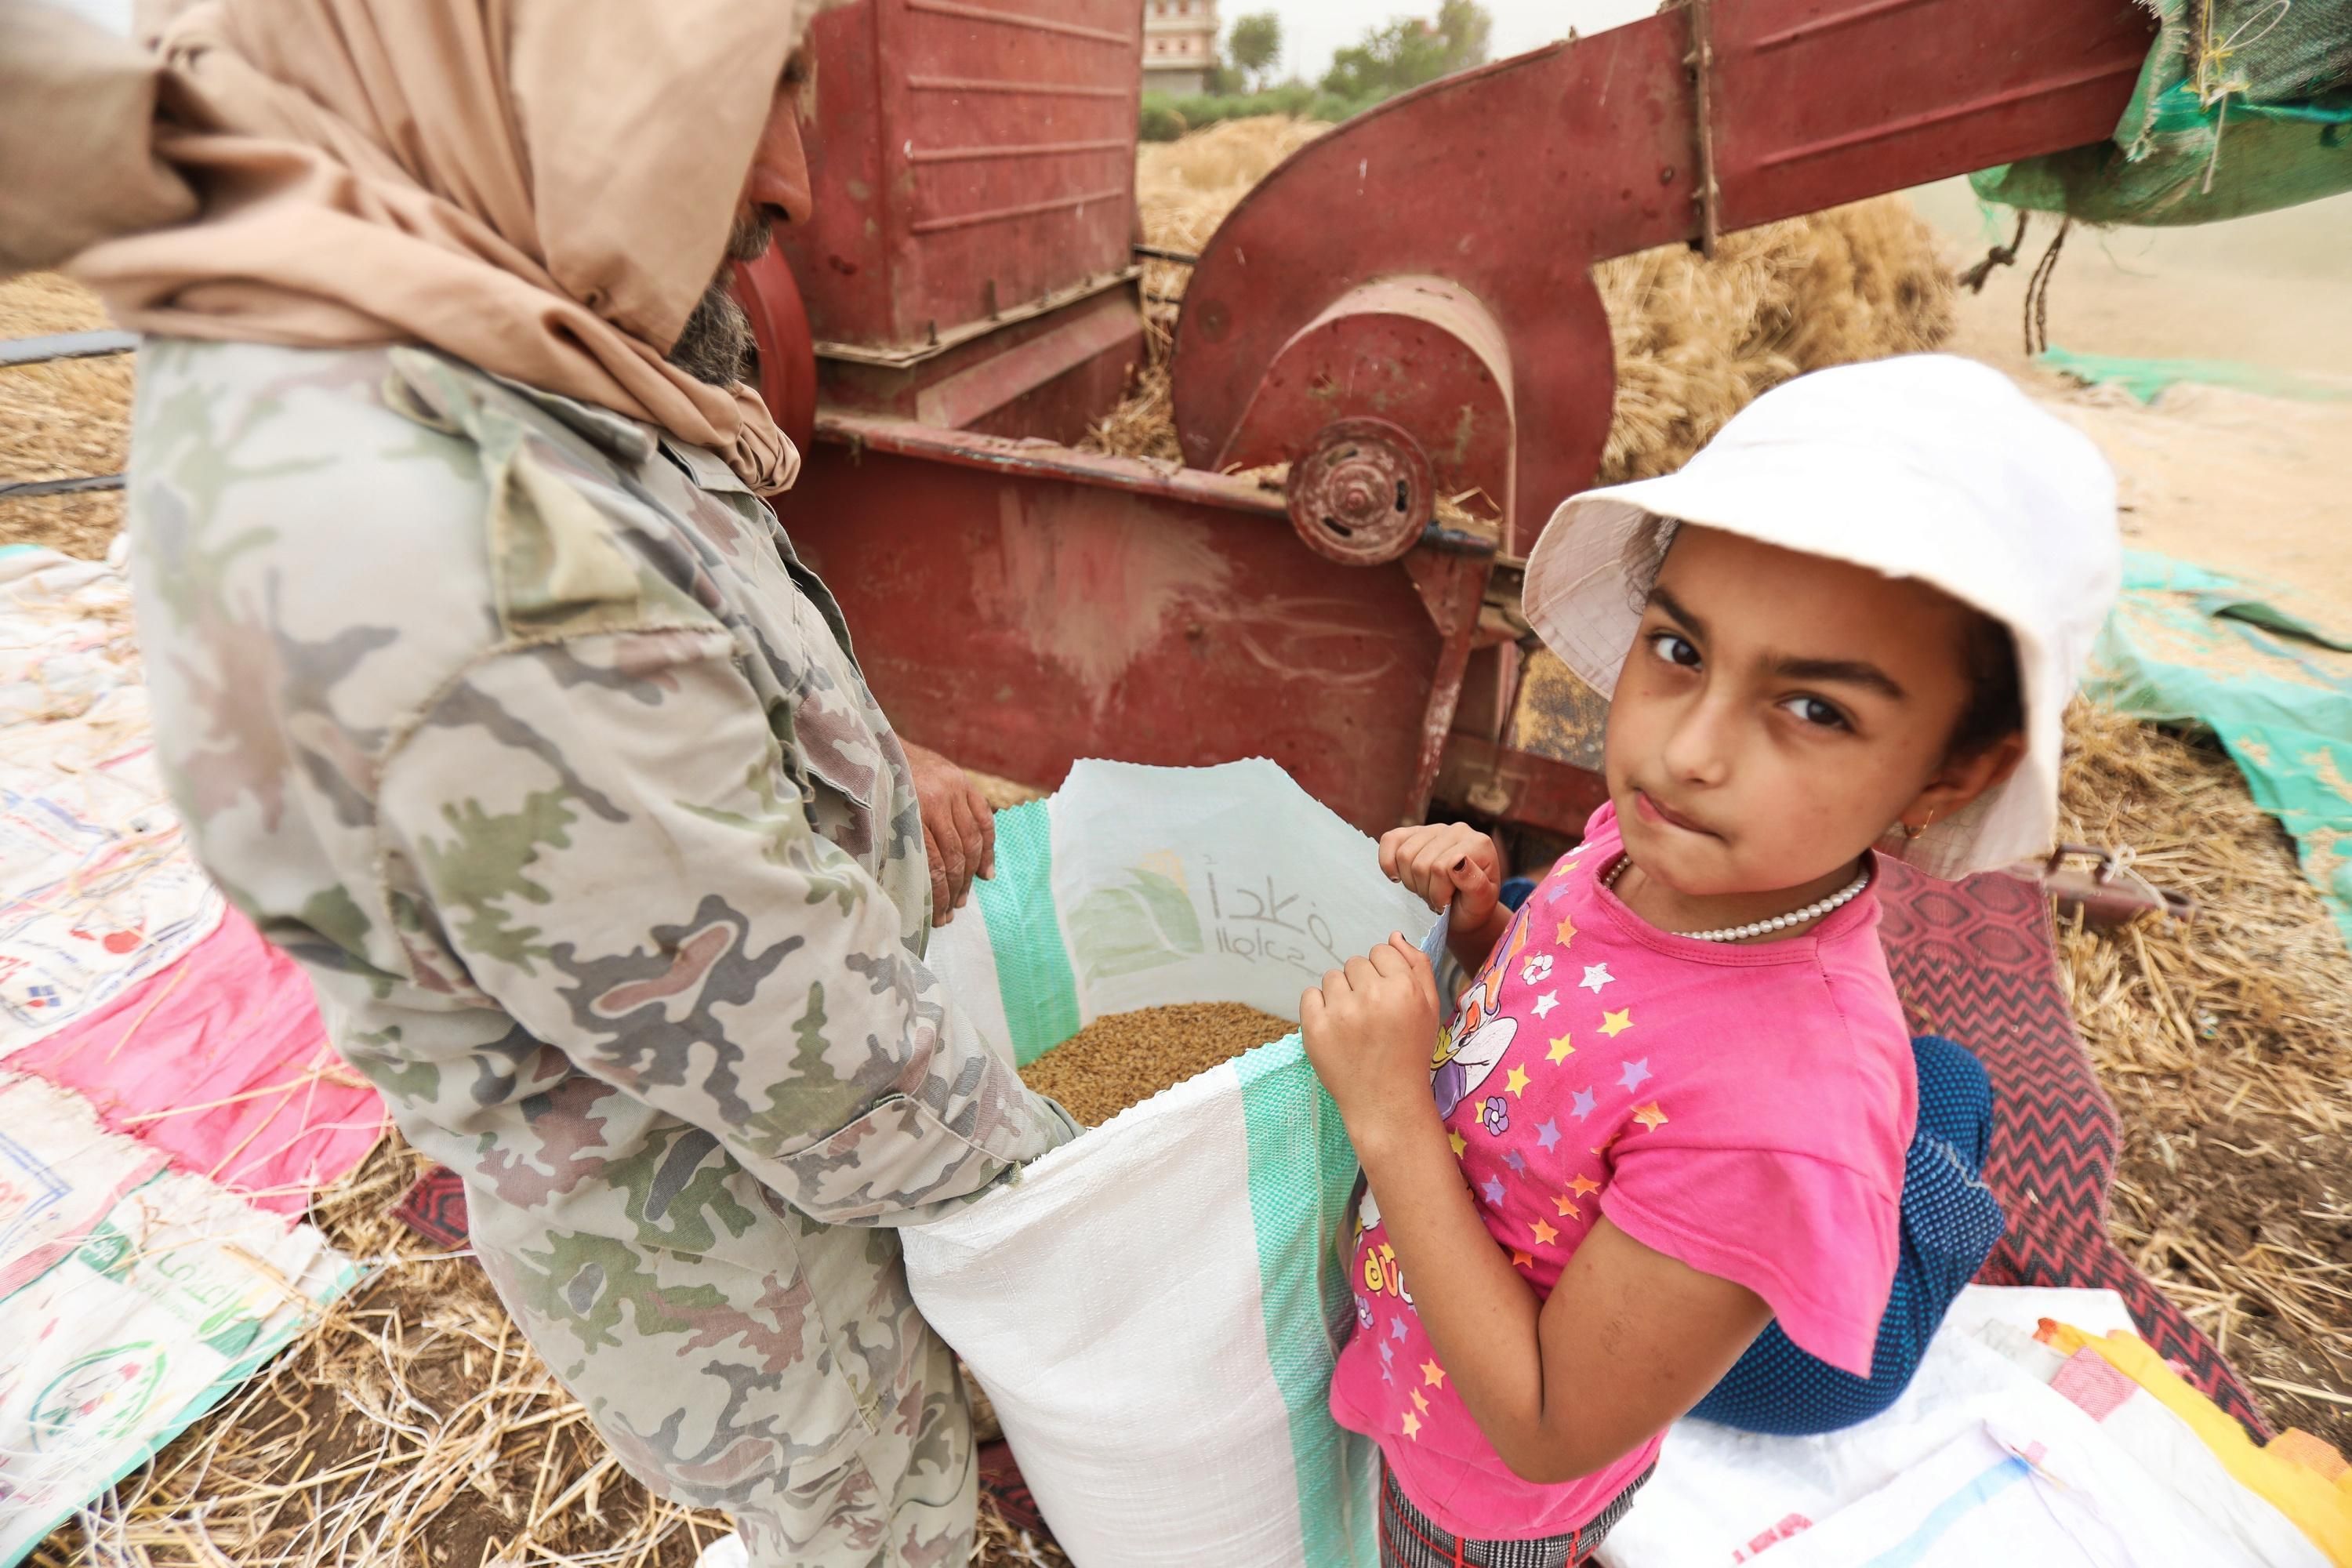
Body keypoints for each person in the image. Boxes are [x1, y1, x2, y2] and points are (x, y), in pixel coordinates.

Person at [13, 2, 1075, 1563]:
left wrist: (861, 760)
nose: (792, 173)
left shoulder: (476, 312)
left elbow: (684, 677)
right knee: (876, 1525)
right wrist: (1103, 1197)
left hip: (758, 1168)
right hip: (740, 1260)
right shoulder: (454, 552)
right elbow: (828, 1067)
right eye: (756, 86)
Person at [1300, 355, 2120, 1566]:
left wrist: (1388, 1117)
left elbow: (1545, 1426)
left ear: (1953, 773)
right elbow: (1556, 1016)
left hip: (1481, 1509)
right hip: (1419, 1382)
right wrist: (1483, 931)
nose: (1687, 753)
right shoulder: (1654, 858)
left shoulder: (1781, 1116)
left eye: (1818, 709)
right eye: (1680, 649)